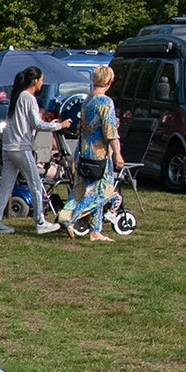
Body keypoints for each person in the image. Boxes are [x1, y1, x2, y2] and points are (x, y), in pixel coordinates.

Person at [0, 66, 71, 234]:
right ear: (35, 80)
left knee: (6, 186)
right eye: (41, 80)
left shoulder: (17, 96)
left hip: (9, 147)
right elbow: (36, 124)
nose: (42, 83)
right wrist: (59, 125)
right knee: (35, 182)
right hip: (21, 147)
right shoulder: (28, 97)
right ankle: (40, 221)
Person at [59, 65, 123, 242]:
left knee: (84, 189)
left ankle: (95, 231)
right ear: (109, 81)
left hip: (84, 152)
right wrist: (117, 153)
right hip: (99, 153)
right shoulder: (105, 102)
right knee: (104, 192)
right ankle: (68, 216)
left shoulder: (87, 100)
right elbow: (110, 131)